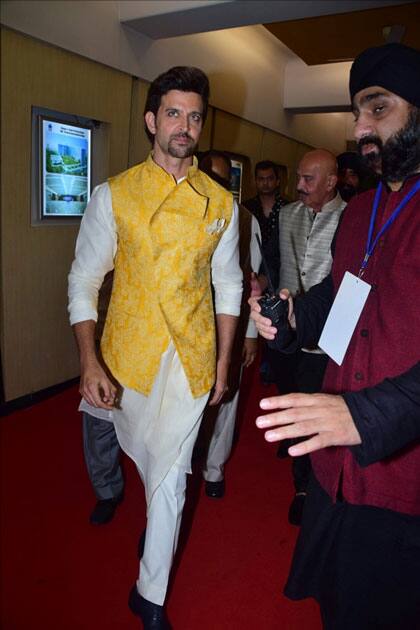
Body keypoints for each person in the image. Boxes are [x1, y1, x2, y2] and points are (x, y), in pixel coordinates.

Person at [250, 42, 420, 629]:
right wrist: (293, 316)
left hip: (405, 481)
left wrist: (364, 417)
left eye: (378, 109)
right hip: (336, 472)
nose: (360, 128)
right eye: (356, 114)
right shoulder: (362, 209)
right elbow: (344, 304)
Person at [68, 66, 242, 630]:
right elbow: (84, 281)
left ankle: (149, 596)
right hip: (128, 356)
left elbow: (231, 287)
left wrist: (223, 363)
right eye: (173, 113)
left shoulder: (221, 204)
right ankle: (138, 509)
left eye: (194, 115)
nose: (184, 126)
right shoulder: (113, 194)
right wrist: (89, 358)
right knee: (142, 458)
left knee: (171, 477)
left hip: (189, 360)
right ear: (151, 120)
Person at [275, 149, 346, 525]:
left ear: (332, 182)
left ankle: (306, 487)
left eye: (309, 180)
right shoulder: (285, 215)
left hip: (328, 339)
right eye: (298, 178)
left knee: (315, 412)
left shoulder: (353, 220)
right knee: (289, 402)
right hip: (287, 334)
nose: (299, 187)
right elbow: (275, 265)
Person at [198, 150, 262, 498]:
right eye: (209, 178)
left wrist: (251, 334)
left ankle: (214, 470)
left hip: (230, 328)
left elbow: (251, 279)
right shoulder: (182, 213)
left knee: (225, 399)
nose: (215, 186)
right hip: (188, 331)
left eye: (223, 181)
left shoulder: (243, 219)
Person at [243, 161, 288, 385]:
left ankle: (270, 367)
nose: (265, 183)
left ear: (277, 180)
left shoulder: (288, 209)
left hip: (279, 276)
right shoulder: (246, 208)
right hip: (252, 276)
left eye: (269, 178)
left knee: (275, 327)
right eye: (260, 178)